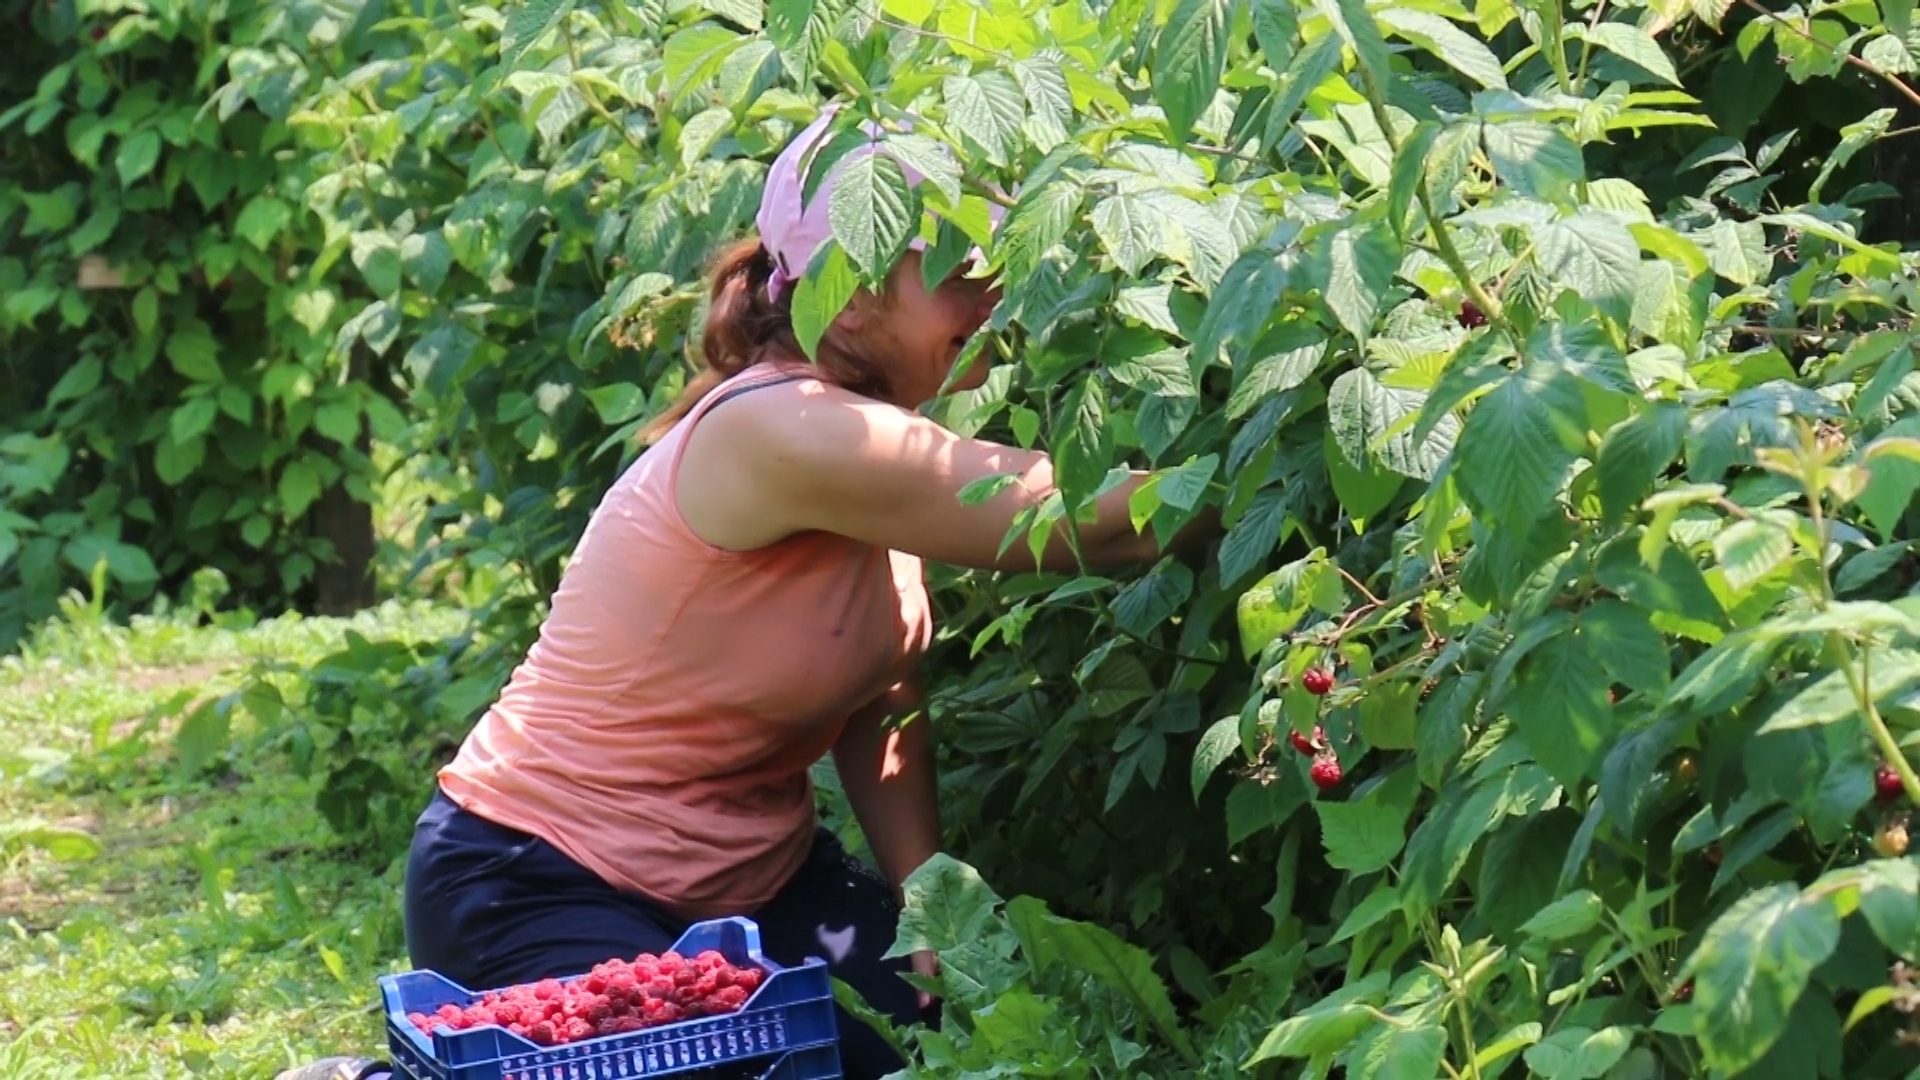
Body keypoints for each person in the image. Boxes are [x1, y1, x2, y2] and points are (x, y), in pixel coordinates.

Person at [278, 107, 1217, 1080]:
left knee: (961, 1050)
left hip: (752, 888)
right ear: (849, 297)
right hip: (536, 878)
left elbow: (878, 702)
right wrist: (1271, 461)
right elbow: (1087, 522)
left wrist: (927, 896)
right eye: (961, 274)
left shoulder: (866, 437)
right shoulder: (785, 432)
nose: (992, 297)